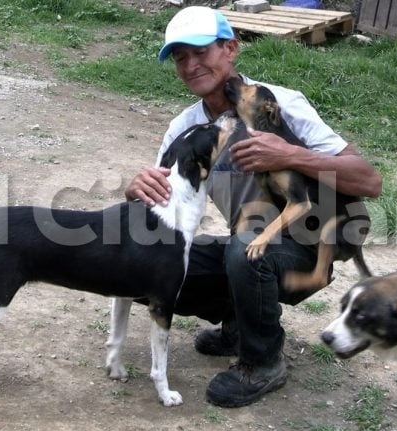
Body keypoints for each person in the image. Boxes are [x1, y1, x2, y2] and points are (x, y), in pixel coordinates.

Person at [125, 6, 382, 408]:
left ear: (231, 48)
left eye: (200, 51)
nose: (191, 65)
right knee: (139, 266)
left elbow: (369, 180)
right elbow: (159, 203)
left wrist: (291, 153)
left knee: (245, 251)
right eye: (180, 57)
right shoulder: (186, 127)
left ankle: (262, 361)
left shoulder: (277, 103)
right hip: (244, 244)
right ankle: (238, 325)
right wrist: (135, 188)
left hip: (304, 249)